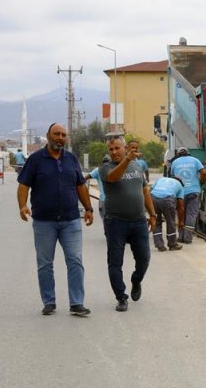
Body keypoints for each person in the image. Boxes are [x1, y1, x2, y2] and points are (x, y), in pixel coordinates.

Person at [17, 123, 94, 317]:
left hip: (71, 220)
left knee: (75, 260)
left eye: (63, 135)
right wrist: (22, 205)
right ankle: (49, 301)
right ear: (48, 136)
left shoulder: (71, 159)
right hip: (44, 222)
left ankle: (77, 303)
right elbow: (24, 185)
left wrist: (89, 208)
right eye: (56, 134)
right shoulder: (36, 160)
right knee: (45, 263)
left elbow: (80, 186)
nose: (60, 137)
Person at [100, 136, 157, 312]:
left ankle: (136, 280)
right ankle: (121, 297)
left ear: (124, 147)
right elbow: (113, 177)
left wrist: (153, 214)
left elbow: (144, 189)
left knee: (144, 258)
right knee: (115, 262)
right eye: (111, 149)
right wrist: (126, 160)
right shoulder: (105, 168)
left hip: (138, 221)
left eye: (117, 148)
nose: (114, 152)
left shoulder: (137, 167)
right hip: (115, 222)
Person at [169, 147, 206, 243]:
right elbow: (204, 172)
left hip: (179, 193)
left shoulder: (175, 162)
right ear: (188, 153)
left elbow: (172, 177)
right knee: (191, 215)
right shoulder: (195, 160)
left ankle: (181, 237)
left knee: (181, 214)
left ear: (178, 154)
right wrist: (201, 182)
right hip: (193, 191)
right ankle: (188, 238)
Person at [150, 176, 185, 251]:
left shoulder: (161, 179)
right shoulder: (180, 186)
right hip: (167, 200)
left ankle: (159, 245)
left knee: (156, 222)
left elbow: (151, 190)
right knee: (170, 222)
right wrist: (181, 221)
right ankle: (172, 244)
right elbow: (181, 206)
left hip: (153, 199)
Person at [84, 155, 110, 228]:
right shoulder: (114, 169)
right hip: (111, 200)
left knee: (105, 220)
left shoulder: (98, 170)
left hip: (103, 200)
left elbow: (84, 179)